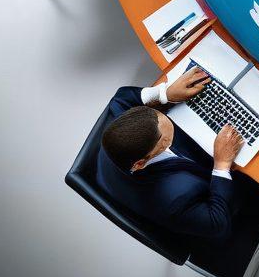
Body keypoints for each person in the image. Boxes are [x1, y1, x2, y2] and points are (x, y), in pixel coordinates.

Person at [97, 68, 244, 240]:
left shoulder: (119, 120)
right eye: (166, 139)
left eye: (159, 115)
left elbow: (121, 98)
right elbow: (216, 223)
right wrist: (222, 164)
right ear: (140, 163)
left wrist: (166, 93)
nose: (170, 125)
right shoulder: (173, 199)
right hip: (225, 198)